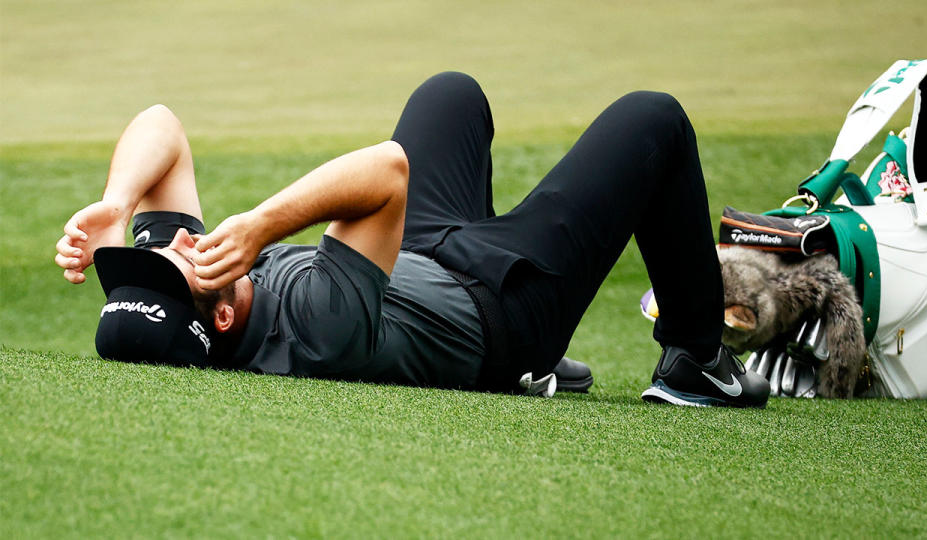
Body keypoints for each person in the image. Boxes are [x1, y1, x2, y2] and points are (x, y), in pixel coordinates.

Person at [55, 72, 769, 406]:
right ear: (220, 315)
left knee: (448, 95)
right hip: (502, 309)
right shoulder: (315, 332)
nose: (171, 248)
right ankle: (696, 361)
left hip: (412, 259)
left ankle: (547, 377)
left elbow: (162, 125)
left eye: (149, 258)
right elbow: (386, 170)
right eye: (172, 265)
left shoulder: (206, 293)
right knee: (653, 121)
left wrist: (116, 206)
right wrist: (262, 224)